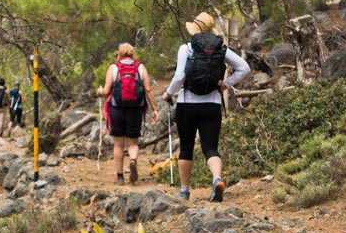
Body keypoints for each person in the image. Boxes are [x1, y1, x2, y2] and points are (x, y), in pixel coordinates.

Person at [162, 12, 250, 202]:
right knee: (210, 148)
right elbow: (244, 68)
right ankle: (217, 179)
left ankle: (184, 191)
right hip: (212, 104)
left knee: (186, 148)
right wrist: (225, 84)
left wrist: (168, 93)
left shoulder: (186, 48)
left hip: (187, 105)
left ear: (194, 30)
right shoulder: (221, 48)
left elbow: (179, 76)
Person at [97, 43, 160, 185]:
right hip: (135, 109)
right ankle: (132, 160)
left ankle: (120, 177)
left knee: (118, 144)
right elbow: (148, 90)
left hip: (117, 109)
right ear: (132, 53)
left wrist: (99, 91)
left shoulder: (113, 68)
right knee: (133, 142)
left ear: (119, 53)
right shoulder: (140, 67)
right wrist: (154, 109)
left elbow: (106, 91)